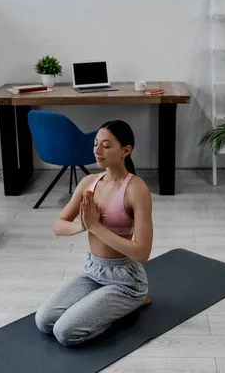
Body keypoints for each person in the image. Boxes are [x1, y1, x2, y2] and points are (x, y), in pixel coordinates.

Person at [34, 120, 153, 347]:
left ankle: (133, 301)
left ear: (126, 151)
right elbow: (58, 226)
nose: (97, 151)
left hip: (125, 280)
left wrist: (96, 226)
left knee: (64, 332)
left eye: (106, 146)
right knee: (44, 321)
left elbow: (142, 253)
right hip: (93, 271)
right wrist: (84, 225)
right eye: (95, 144)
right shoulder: (89, 182)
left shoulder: (137, 189)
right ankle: (104, 306)